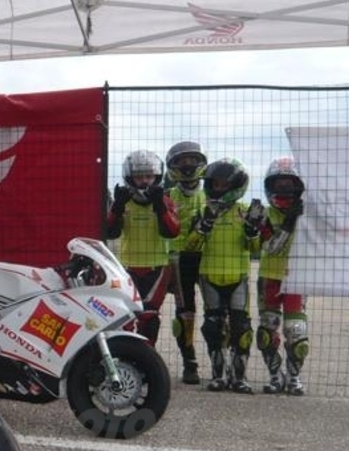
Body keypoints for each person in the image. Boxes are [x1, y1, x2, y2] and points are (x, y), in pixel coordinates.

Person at [185, 157, 262, 394]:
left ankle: (239, 377)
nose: (218, 188)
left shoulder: (245, 212)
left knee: (242, 329)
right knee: (212, 328)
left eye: (223, 184)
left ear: (236, 185)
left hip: (238, 277)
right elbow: (190, 246)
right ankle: (217, 375)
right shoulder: (202, 211)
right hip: (209, 276)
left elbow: (256, 248)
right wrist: (204, 225)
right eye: (214, 184)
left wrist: (252, 231)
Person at [106, 149, 180, 345]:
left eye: (149, 176)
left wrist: (160, 206)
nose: (145, 181)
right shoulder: (123, 201)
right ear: (130, 178)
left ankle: (147, 356)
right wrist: (117, 207)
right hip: (127, 267)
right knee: (125, 317)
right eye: (139, 177)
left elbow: (172, 232)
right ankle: (127, 356)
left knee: (149, 317)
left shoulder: (166, 201)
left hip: (157, 267)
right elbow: (110, 232)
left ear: (157, 177)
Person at [255, 157, 308, 395]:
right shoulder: (264, 215)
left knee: (296, 331)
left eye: (290, 184)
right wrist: (289, 222)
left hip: (298, 278)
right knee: (266, 332)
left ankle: (294, 377)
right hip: (269, 278)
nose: (284, 189)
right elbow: (270, 247)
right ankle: (275, 375)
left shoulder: (309, 215)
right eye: (279, 184)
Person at [164, 141, 208, 384]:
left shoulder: (210, 194)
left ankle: (221, 364)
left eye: (192, 160)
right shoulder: (167, 196)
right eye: (182, 162)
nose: (188, 166)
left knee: (216, 314)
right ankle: (189, 363)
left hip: (208, 259)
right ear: (173, 166)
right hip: (179, 259)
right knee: (185, 313)